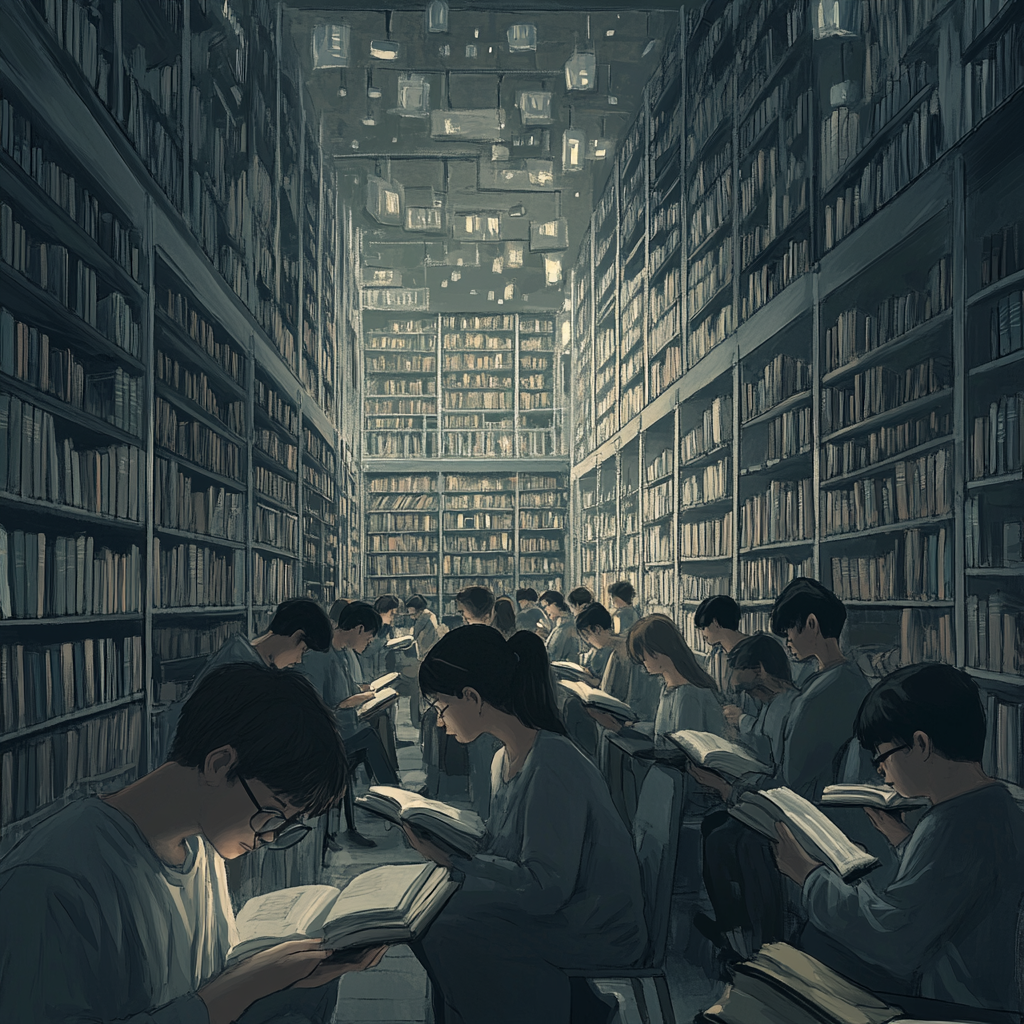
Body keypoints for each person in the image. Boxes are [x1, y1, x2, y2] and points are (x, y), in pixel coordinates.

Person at [0, 664, 387, 1024]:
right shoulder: (50, 881)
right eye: (271, 815)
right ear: (219, 765)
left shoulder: (203, 849)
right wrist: (244, 986)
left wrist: (293, 975)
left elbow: (209, 981)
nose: (270, 837)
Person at [406, 626, 647, 1024]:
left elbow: (544, 889)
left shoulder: (552, 764)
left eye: (440, 707)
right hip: (562, 907)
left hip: (594, 923)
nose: (438, 721)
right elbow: (508, 853)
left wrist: (457, 862)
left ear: (472, 697)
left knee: (444, 929)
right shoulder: (506, 757)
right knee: (434, 919)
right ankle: (578, 1009)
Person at [774, 664, 1024, 1013]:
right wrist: (904, 840)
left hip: (955, 1004)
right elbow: (949, 889)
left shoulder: (953, 823)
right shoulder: (995, 804)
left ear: (921, 744)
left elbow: (893, 939)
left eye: (882, 755)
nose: (879, 770)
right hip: (967, 985)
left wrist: (810, 877)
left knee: (811, 948)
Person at [690, 578, 874, 957]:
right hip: (816, 803)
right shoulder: (835, 679)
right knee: (727, 833)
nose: (786, 641)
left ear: (810, 624)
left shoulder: (826, 692)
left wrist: (733, 787)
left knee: (734, 839)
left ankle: (758, 947)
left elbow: (789, 781)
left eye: (788, 629)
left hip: (815, 815)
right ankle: (745, 939)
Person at [303, 601, 400, 853]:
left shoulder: (343, 653)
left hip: (346, 731)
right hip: (329, 736)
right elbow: (313, 707)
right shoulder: (319, 656)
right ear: (358, 628)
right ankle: (394, 799)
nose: (369, 643)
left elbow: (341, 689)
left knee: (371, 732)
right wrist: (348, 703)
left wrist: (361, 691)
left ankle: (390, 799)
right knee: (369, 737)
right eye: (369, 637)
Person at [358, 594, 401, 682]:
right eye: (391, 614)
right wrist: (381, 636)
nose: (392, 618)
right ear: (382, 612)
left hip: (381, 673)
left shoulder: (387, 628)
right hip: (367, 676)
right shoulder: (369, 625)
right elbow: (366, 652)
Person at [538, 590, 577, 663]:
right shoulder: (559, 625)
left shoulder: (568, 626)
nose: (546, 610)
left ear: (554, 604)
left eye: (546, 606)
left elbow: (555, 655)